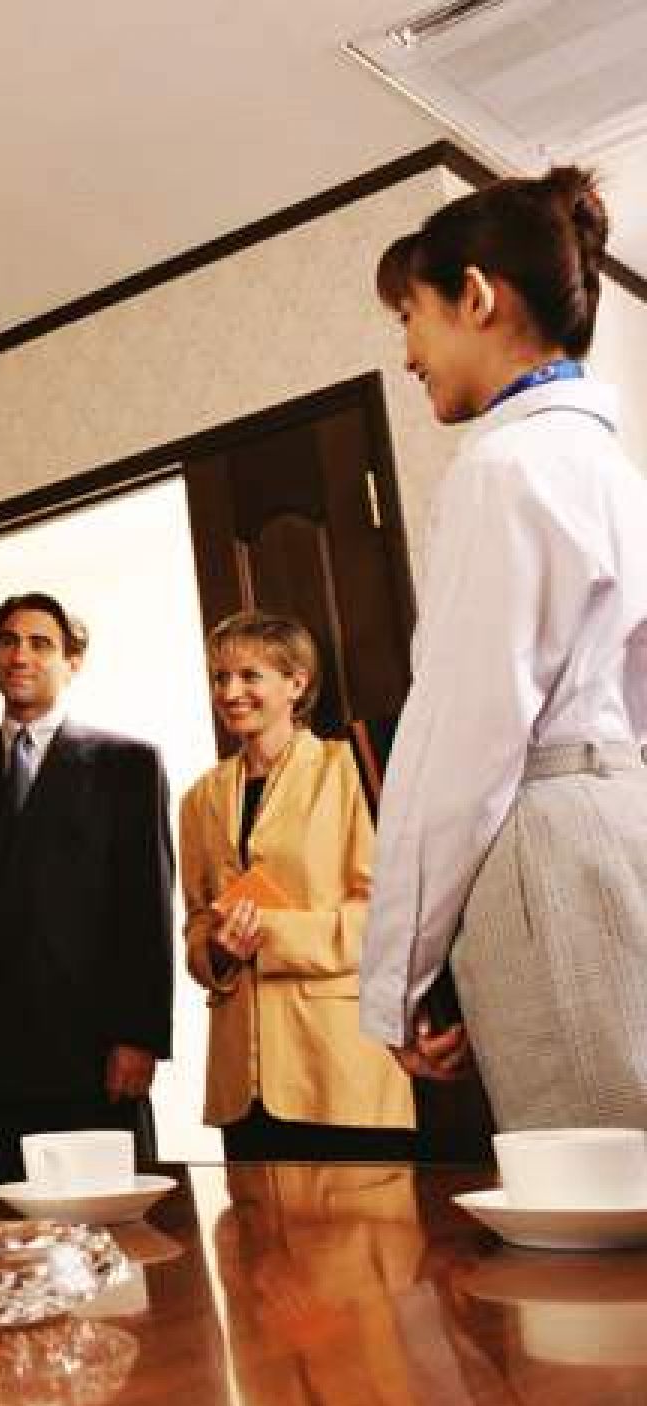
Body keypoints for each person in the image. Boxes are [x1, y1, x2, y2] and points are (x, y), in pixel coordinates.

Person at [360, 166, 647, 1130]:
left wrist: (396, 980)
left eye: (412, 316)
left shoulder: (500, 468)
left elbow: (460, 745)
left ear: (476, 297)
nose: (409, 353)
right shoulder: (616, 470)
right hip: (624, 826)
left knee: (586, 1177)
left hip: (541, 846)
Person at [0, 592, 172, 1184]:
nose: (20, 656)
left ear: (72, 661)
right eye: (9, 641)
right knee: (5, 1221)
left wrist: (139, 1038)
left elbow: (147, 909)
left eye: (40, 644)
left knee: (104, 1220)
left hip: (96, 1053)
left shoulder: (127, 765)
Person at [180, 611, 414, 1161]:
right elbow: (196, 923)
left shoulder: (349, 770)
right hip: (242, 1085)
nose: (230, 692)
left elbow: (386, 916)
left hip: (341, 1068)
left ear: (296, 683)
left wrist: (269, 933)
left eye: (249, 676)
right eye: (220, 677)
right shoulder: (199, 798)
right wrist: (216, 950)